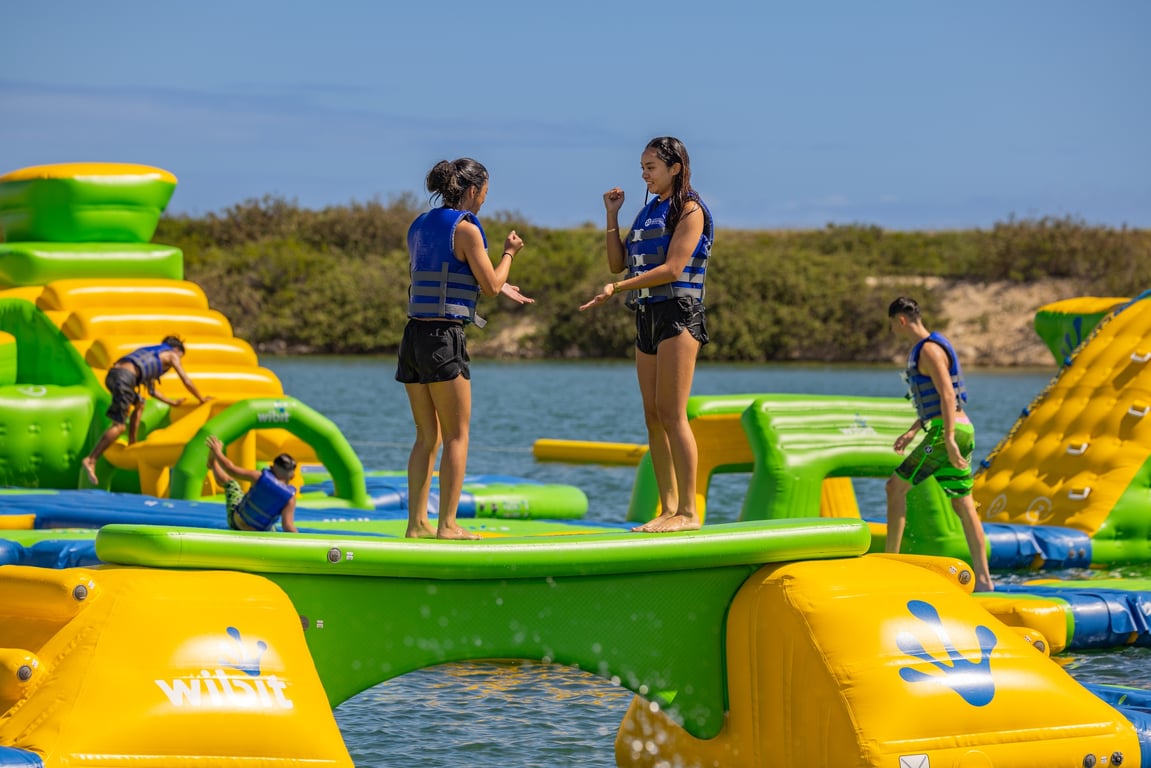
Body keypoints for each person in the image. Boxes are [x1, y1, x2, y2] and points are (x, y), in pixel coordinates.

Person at [579, 136, 713, 532]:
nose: (644, 175)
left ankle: (688, 512)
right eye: (642, 167)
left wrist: (617, 289)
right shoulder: (647, 211)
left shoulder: (689, 209)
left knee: (672, 413)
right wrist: (612, 216)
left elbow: (673, 269)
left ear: (675, 168)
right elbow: (617, 263)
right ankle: (668, 508)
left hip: (678, 313)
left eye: (651, 167)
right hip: (647, 313)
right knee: (653, 415)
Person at [396, 157, 532, 540]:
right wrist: (509, 253)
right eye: (485, 193)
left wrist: (494, 281)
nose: (484, 200)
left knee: (426, 436)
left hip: (414, 337)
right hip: (444, 339)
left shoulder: (419, 225)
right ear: (473, 190)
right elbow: (490, 286)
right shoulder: (467, 229)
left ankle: (416, 524)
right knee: (457, 436)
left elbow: (445, 270)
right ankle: (448, 525)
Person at [885, 296, 994, 592]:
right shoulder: (930, 347)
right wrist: (914, 430)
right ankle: (985, 581)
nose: (893, 331)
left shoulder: (929, 350)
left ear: (901, 320)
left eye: (892, 325)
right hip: (960, 429)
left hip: (949, 433)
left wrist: (947, 438)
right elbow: (935, 401)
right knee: (963, 503)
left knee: (895, 487)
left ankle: (889, 563)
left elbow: (947, 394)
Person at [81, 335, 211, 486]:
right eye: (180, 357)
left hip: (114, 376)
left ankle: (132, 442)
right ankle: (91, 459)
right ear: (176, 350)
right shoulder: (171, 355)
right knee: (119, 426)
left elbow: (152, 391)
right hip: (124, 378)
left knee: (140, 403)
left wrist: (172, 402)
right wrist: (201, 399)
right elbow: (185, 380)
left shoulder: (152, 354)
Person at [206, 435, 298, 532]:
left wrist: (218, 451)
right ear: (292, 476)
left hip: (237, 524)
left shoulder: (258, 477)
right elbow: (287, 526)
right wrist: (301, 539)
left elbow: (231, 469)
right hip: (260, 533)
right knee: (273, 528)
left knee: (231, 483)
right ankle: (213, 463)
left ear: (271, 468)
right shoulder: (290, 499)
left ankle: (213, 464)